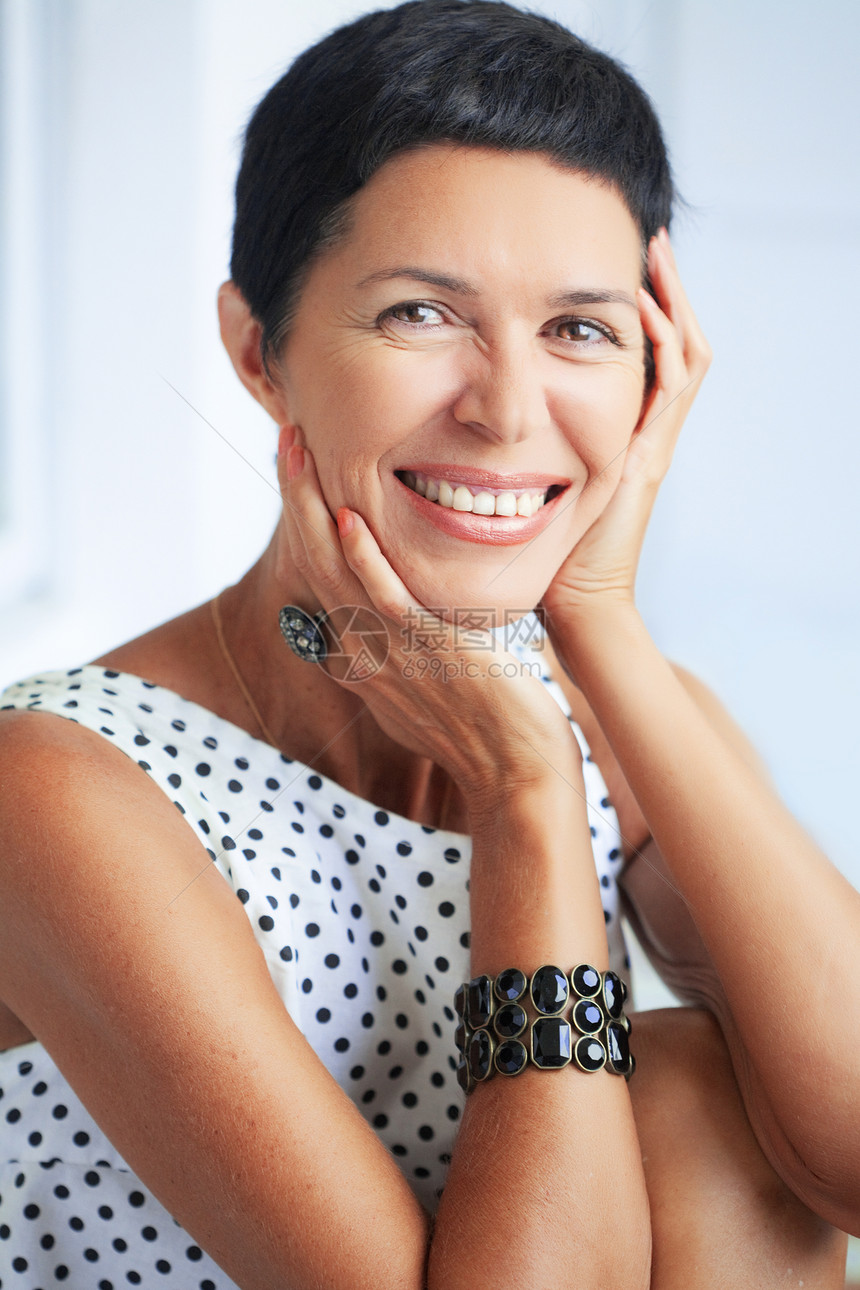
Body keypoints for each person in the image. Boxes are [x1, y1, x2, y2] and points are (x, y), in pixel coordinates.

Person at [0, 1, 857, 1285]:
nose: (508, 410)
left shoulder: (611, 710)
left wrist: (602, 623)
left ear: (657, 371)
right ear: (258, 352)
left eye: (580, 329)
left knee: (683, 1093)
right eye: (419, 314)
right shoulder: (55, 786)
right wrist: (521, 799)